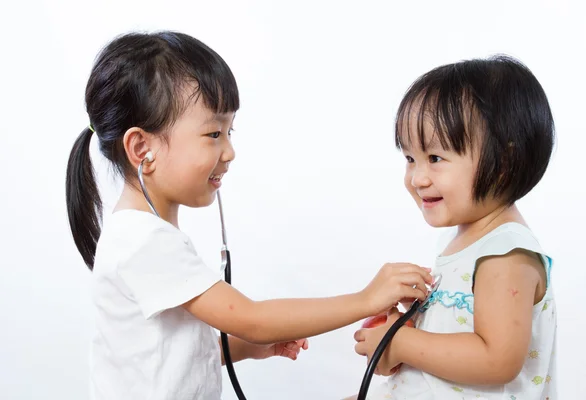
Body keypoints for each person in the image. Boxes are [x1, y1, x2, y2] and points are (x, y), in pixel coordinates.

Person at [65, 30, 433, 400]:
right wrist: (366, 299)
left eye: (229, 131)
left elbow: (165, 353)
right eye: (213, 133)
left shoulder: (143, 235)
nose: (229, 151)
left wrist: (247, 348)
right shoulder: (143, 241)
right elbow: (252, 319)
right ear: (142, 147)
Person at [348, 55, 557, 400]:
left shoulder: (506, 254)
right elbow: (453, 354)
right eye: (410, 158)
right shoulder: (465, 242)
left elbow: (497, 360)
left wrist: (401, 343)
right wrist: (404, 332)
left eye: (435, 159)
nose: (417, 178)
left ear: (502, 163)